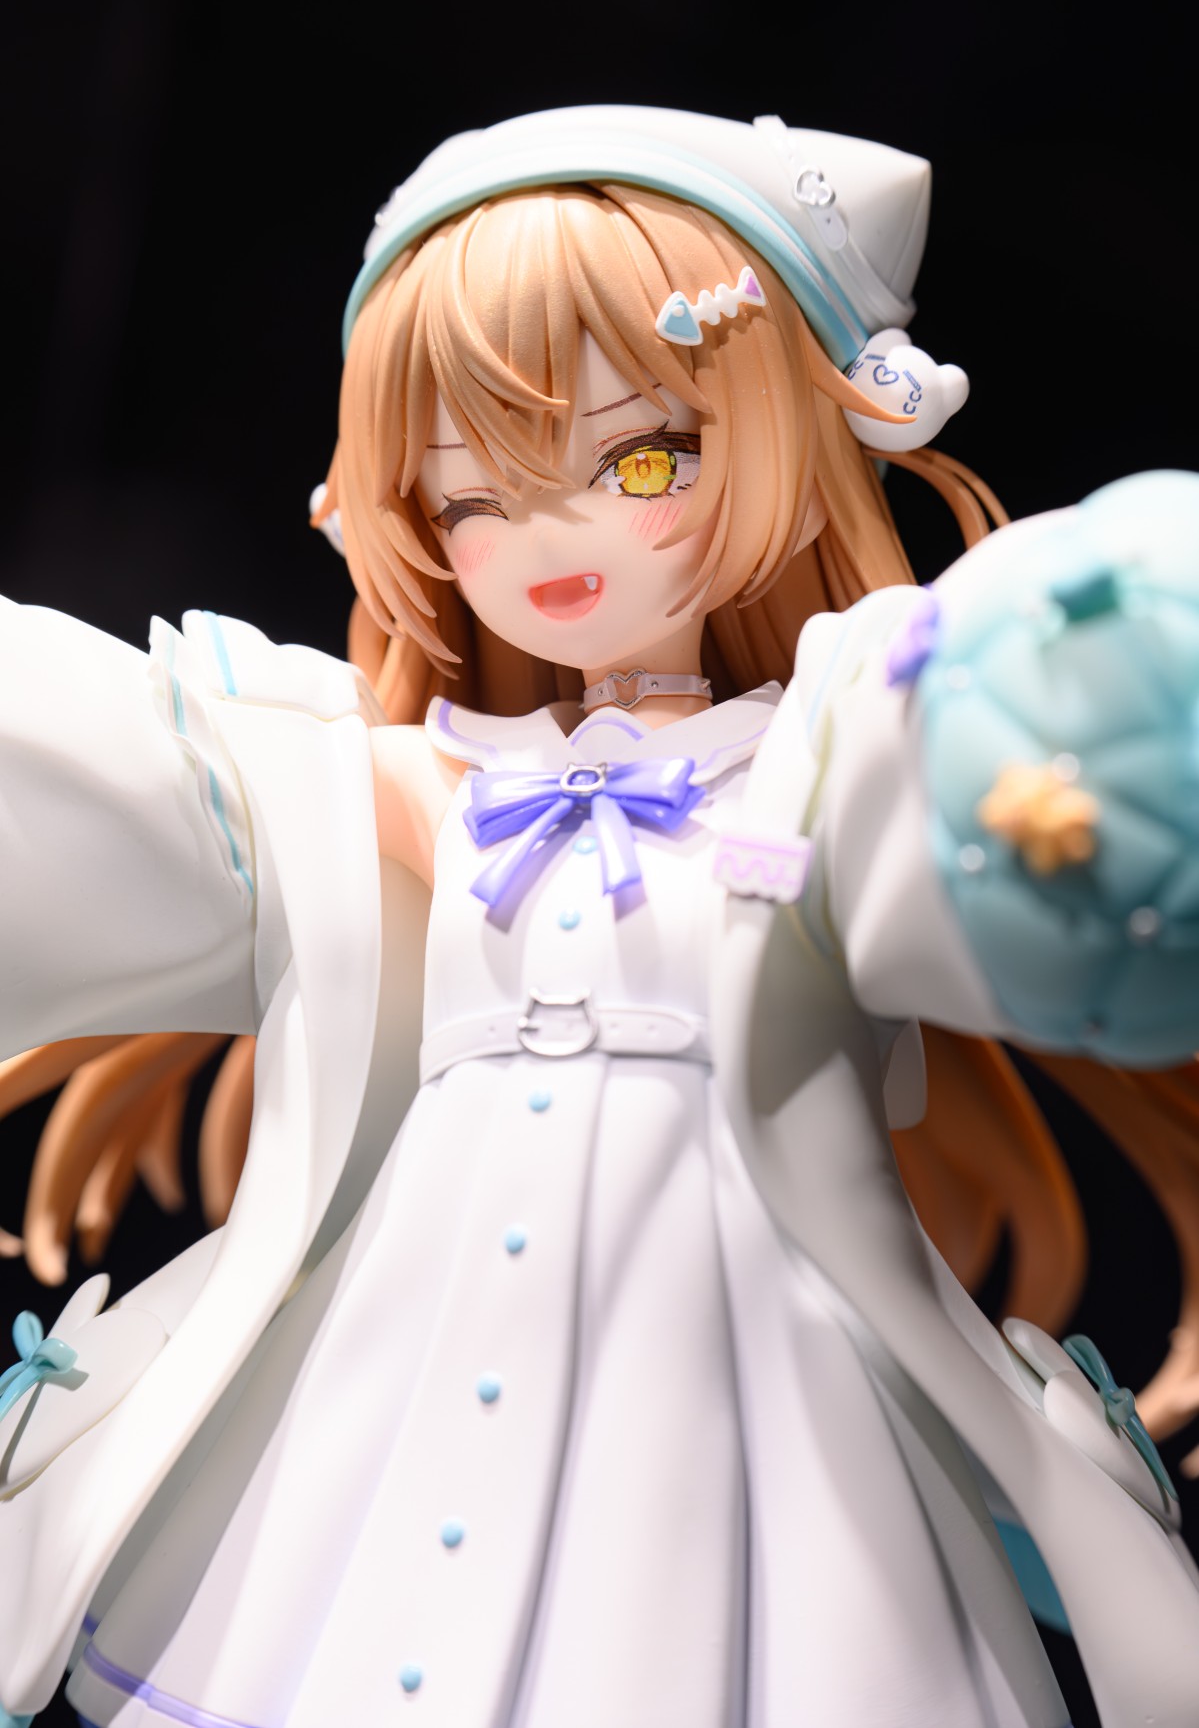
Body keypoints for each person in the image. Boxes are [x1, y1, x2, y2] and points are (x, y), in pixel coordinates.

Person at [0, 106, 1196, 1728]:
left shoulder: (817, 755)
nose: (548, 535)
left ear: (793, 432)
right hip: (427, 1299)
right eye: (471, 498)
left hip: (727, 1303)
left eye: (642, 460)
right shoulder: (418, 779)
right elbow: (128, 780)